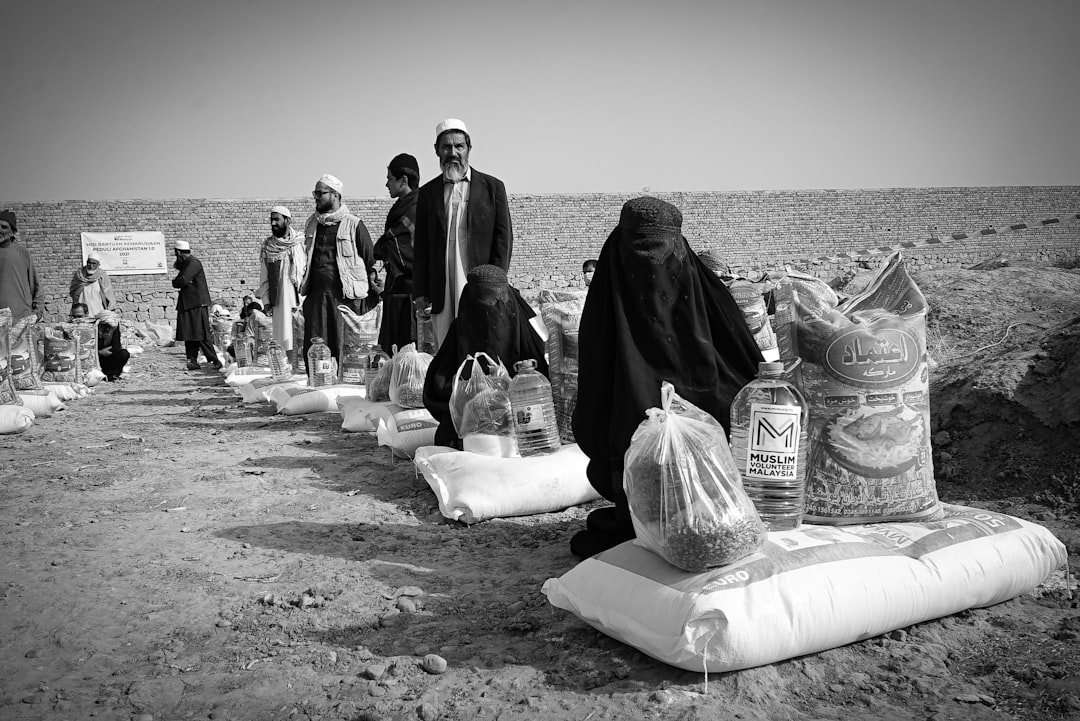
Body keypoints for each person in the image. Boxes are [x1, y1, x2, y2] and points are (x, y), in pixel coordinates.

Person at [569, 197, 765, 559]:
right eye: (639, 251)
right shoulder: (609, 313)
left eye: (659, 250)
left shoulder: (706, 303)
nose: (650, 266)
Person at [412, 119, 513, 349]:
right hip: (441, 287)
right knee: (446, 346)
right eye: (446, 147)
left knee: (482, 344)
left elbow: (503, 239)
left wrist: (496, 283)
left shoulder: (492, 188)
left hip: (480, 284)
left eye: (459, 146)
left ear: (469, 148)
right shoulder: (428, 193)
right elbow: (421, 247)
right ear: (437, 150)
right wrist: (420, 290)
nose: (453, 152)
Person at [423, 264, 548, 449]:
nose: (491, 307)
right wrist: (473, 394)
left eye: (498, 301)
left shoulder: (527, 329)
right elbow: (441, 385)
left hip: (525, 416)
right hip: (473, 419)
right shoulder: (461, 329)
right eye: (484, 300)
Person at [300, 174, 380, 361]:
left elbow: (370, 259)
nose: (316, 197)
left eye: (320, 193)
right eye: (315, 193)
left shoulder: (354, 224)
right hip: (316, 297)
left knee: (345, 351)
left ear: (335, 195)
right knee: (315, 348)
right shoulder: (312, 224)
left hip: (345, 299)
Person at [374, 153, 420, 356]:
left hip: (412, 296)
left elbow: (399, 245)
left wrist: (381, 249)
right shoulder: (400, 209)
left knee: (410, 358)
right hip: (395, 293)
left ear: (403, 180)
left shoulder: (418, 208)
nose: (386, 184)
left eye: (390, 179)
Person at [258, 205, 306, 367]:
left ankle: (300, 368)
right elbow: (264, 277)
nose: (273, 223)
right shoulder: (268, 247)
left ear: (288, 220)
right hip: (279, 302)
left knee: (302, 335)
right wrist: (265, 301)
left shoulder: (300, 242)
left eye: (277, 219)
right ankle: (288, 369)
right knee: (283, 338)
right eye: (271, 220)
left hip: (301, 298)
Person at [171, 240, 223, 371]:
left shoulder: (193, 263)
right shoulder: (187, 264)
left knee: (200, 333)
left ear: (178, 252)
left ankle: (215, 360)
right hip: (188, 303)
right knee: (190, 333)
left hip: (197, 304)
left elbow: (181, 281)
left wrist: (177, 281)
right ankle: (192, 360)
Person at [0, 210, 43, 321]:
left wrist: (37, 311)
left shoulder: (23, 253)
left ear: (12, 232)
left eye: (4, 227)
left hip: (21, 320)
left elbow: (36, 286)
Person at [69, 251, 116, 316]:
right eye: (89, 263)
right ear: (86, 262)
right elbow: (73, 291)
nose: (91, 266)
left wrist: (110, 311)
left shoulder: (102, 276)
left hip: (97, 310)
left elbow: (109, 294)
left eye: (94, 264)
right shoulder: (79, 275)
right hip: (81, 312)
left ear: (98, 265)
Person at [95, 310, 130, 382]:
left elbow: (116, 346)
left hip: (108, 356)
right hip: (96, 358)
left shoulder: (114, 328)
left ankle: (112, 375)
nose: (108, 329)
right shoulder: (94, 329)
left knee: (124, 354)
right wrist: (99, 352)